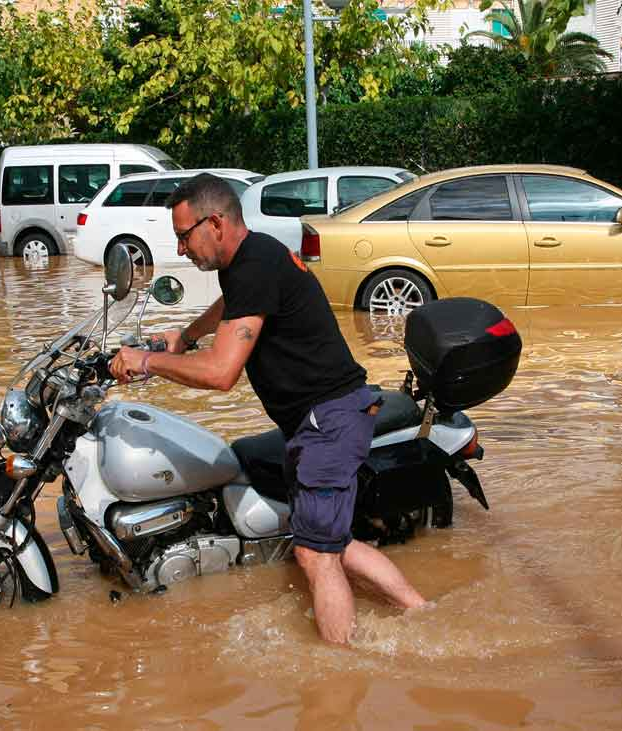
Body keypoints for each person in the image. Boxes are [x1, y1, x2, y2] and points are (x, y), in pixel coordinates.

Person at [109, 174, 427, 644]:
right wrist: (187, 335)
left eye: (183, 236)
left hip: (330, 422)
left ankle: (340, 673)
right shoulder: (249, 258)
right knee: (331, 542)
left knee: (314, 555)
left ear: (214, 223)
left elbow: (221, 373)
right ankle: (420, 610)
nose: (181, 250)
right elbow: (233, 303)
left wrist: (149, 361)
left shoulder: (253, 265)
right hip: (319, 419)